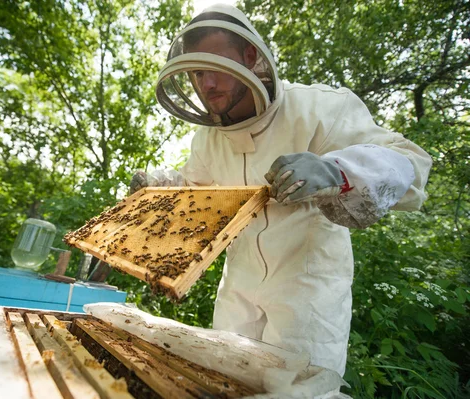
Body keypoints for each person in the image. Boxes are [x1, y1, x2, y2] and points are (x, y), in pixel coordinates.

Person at [130, 4, 432, 376]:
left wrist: (338, 170)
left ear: (250, 56)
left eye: (214, 67)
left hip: (307, 295)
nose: (205, 84)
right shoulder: (208, 138)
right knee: (220, 382)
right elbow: (196, 190)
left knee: (296, 389)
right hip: (236, 292)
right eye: (196, 73)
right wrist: (157, 189)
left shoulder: (320, 108)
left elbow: (411, 164)